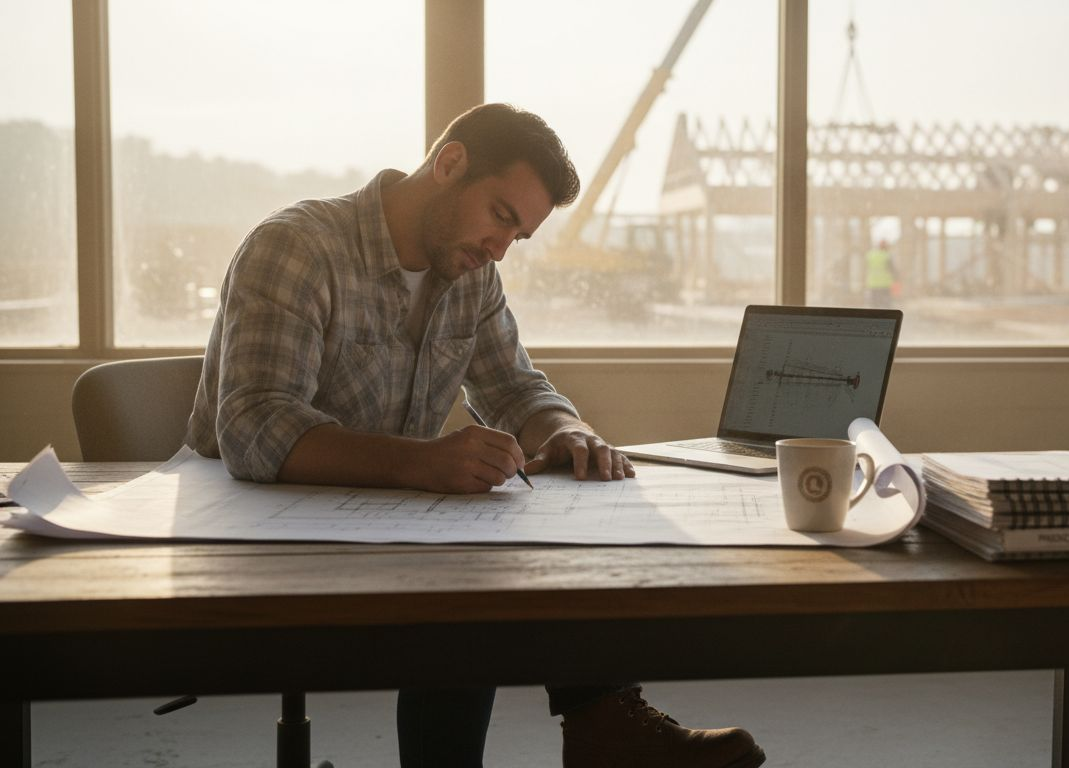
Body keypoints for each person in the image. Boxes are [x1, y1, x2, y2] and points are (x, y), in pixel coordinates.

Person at [186, 103, 765, 768]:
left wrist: (570, 432)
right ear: (449, 164)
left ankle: (603, 724)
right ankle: (599, 730)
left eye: (517, 238)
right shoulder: (297, 246)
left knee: (517, 526)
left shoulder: (469, 275)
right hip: (248, 528)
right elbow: (255, 427)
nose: (499, 249)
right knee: (470, 572)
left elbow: (516, 389)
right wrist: (423, 465)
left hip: (379, 517)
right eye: (500, 215)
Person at [864, 239, 895, 308]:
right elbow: (892, 269)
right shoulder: (887, 255)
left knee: (874, 303)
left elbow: (866, 267)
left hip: (872, 283)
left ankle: (875, 316)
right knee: (885, 303)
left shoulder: (870, 254)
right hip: (885, 284)